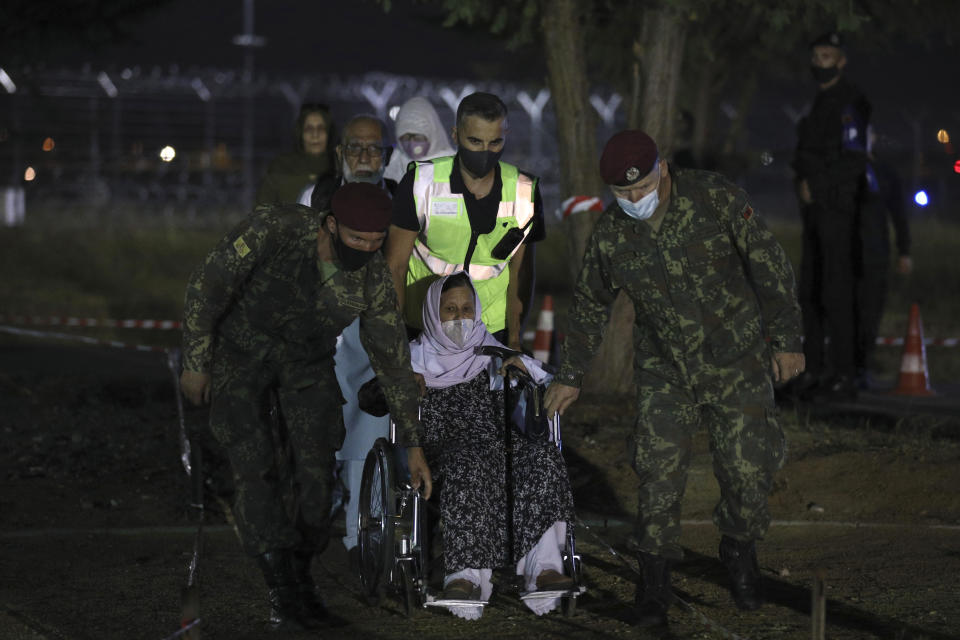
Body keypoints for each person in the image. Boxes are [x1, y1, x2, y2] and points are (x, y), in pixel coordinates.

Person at [543, 130, 804, 628]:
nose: (634, 200)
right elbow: (591, 304)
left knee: (749, 470)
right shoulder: (613, 232)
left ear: (661, 169)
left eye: (640, 189)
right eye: (623, 194)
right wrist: (571, 376)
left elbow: (767, 263)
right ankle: (654, 584)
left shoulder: (714, 197)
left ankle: (739, 548)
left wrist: (787, 339)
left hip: (736, 361)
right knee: (658, 478)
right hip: (665, 369)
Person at [179, 182, 432, 631]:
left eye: (376, 242)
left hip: (308, 364)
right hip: (242, 356)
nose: (367, 249)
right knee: (255, 466)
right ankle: (283, 594)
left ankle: (300, 579)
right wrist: (197, 363)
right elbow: (208, 286)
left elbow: (393, 362)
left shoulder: (372, 278)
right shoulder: (275, 229)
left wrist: (412, 444)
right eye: (357, 239)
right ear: (331, 224)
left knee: (318, 479)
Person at [411, 272, 575, 619]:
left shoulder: (492, 351)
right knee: (469, 462)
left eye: (467, 308)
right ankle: (466, 577)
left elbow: (547, 377)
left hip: (497, 445)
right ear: (432, 313)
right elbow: (371, 397)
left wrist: (522, 365)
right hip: (447, 449)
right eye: (450, 309)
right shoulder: (414, 358)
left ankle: (542, 569)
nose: (460, 317)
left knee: (539, 455)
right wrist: (402, 384)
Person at [296, 114, 398, 567]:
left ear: (386, 156)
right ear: (340, 153)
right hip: (323, 332)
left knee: (368, 430)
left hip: (373, 329)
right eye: (354, 148)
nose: (363, 157)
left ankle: (363, 540)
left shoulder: (399, 200)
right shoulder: (314, 198)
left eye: (373, 149)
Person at [385, 91, 545, 349]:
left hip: (489, 333)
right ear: (455, 135)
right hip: (423, 329)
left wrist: (514, 342)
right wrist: (395, 342)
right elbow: (395, 267)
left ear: (506, 136)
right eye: (475, 141)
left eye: (495, 143)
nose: (485, 152)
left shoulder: (524, 190)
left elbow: (522, 272)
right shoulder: (420, 184)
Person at [792, 31, 871, 400]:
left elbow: (853, 159)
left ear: (841, 61)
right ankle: (815, 370)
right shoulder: (819, 102)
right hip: (814, 209)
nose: (821, 62)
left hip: (836, 208)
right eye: (817, 55)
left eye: (828, 55)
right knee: (810, 291)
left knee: (836, 292)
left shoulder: (850, 101)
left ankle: (844, 373)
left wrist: (817, 185)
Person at [855, 128, 912, 388]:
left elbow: (899, 213)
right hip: (845, 254)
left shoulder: (885, 173)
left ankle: (861, 367)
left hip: (875, 254)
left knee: (870, 313)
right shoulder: (843, 170)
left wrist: (904, 250)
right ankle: (844, 368)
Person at [256, 103, 336, 206]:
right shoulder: (281, 167)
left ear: (329, 133)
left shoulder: (339, 167)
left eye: (321, 129)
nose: (315, 135)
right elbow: (261, 211)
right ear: (300, 133)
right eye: (309, 129)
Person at [383, 96, 456, 184]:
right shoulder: (392, 164)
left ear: (432, 135)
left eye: (418, 138)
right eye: (405, 138)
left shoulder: (454, 167)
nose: (411, 143)